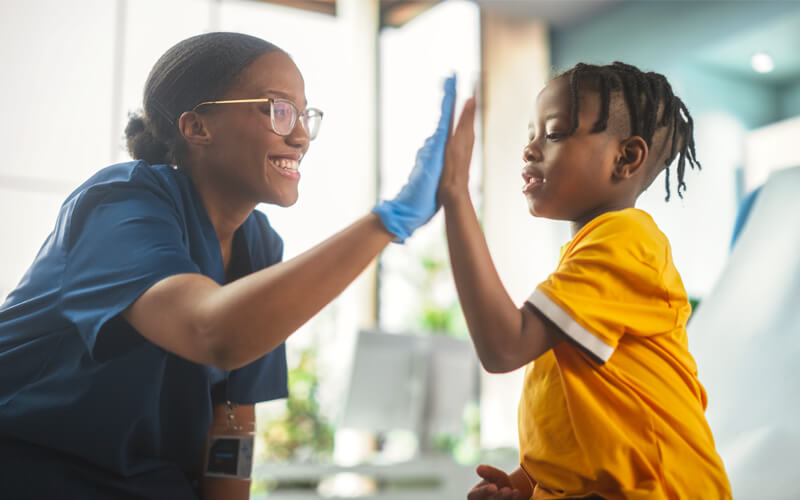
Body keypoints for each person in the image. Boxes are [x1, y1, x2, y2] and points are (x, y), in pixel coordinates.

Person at [0, 32, 455, 499]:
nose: (299, 136)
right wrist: (387, 222)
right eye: (277, 109)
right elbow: (213, 332)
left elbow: (233, 421)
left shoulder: (258, 245)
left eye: (303, 115)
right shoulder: (119, 204)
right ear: (197, 127)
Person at [438, 62, 732, 499]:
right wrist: (523, 486)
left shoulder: (628, 239)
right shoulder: (584, 267)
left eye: (553, 134)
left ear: (626, 157)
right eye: (532, 134)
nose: (530, 149)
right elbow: (583, 429)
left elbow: (504, 347)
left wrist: (456, 195)